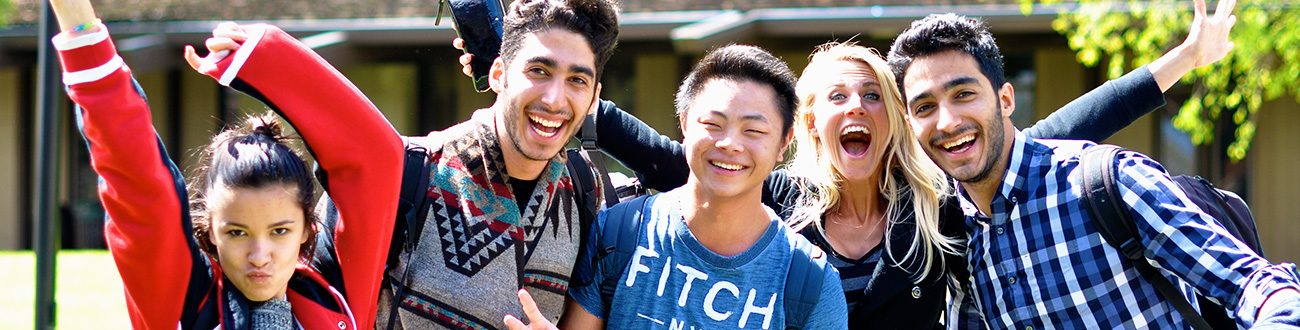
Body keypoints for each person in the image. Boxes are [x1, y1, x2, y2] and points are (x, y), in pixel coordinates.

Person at [475, 1, 1233, 327]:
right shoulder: (777, 196)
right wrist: (514, 64)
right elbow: (661, 155)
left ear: (893, 116)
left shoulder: (935, 209)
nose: (857, 108)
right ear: (810, 122)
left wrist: (1176, 65)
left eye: (874, 94)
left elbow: (1052, 131)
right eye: (837, 96)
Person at [184, 0, 620, 328]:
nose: (554, 99)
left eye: (577, 80)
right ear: (499, 75)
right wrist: (259, 55)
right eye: (539, 71)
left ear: (595, 96)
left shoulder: (589, 193)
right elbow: (304, 289)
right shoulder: (411, 174)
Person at [886, 7, 1300, 329]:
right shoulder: (954, 234)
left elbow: (1255, 285)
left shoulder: (1106, 183)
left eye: (964, 94)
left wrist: (1189, 57)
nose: (947, 122)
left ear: (1006, 100)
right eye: (925, 107)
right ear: (910, 125)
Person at [51, 0, 400, 328]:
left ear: (309, 228)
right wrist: (76, 18)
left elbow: (375, 156)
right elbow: (135, 175)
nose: (260, 256)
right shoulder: (183, 306)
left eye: (280, 231)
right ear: (210, 231)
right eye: (237, 233)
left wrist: (262, 57)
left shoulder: (336, 298)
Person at [507, 44, 849, 330]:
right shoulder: (619, 233)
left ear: (783, 143)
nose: (730, 144)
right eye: (713, 124)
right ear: (684, 125)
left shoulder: (810, 284)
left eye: (753, 131)